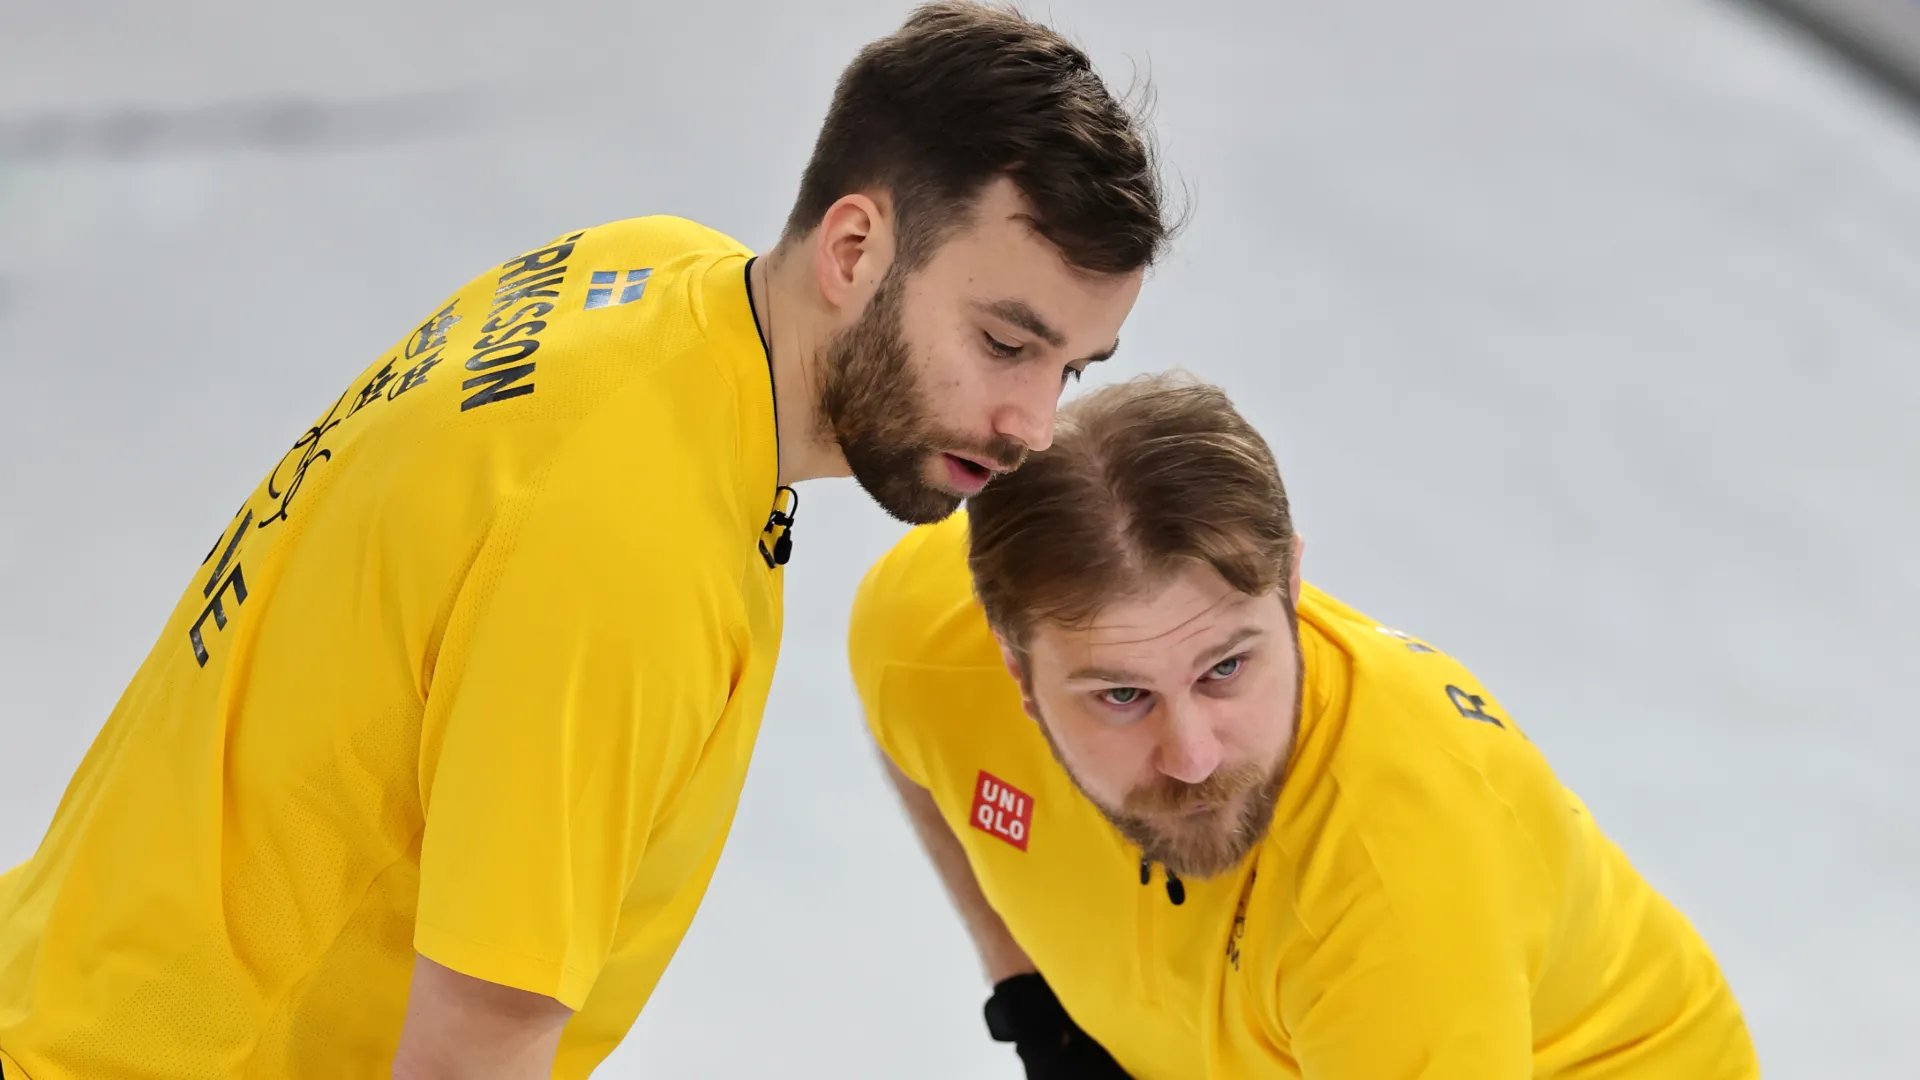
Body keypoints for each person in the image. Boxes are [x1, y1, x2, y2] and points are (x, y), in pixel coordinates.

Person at [0, 5, 1172, 1078]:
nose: (1034, 424)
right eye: (1006, 342)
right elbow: (474, 1053)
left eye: (1070, 366)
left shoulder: (646, 271)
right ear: (854, 248)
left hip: (61, 985)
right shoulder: (631, 558)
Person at [848, 373, 1761, 1079]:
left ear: (1288, 585)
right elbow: (922, 748)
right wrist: (1034, 1002)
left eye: (1226, 669)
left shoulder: (1394, 876)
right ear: (1017, 669)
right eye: (1120, 696)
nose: (1193, 756)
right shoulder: (924, 635)